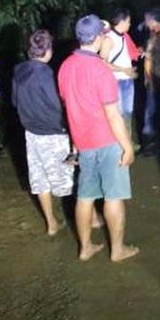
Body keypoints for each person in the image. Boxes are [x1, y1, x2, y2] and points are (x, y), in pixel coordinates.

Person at [58, 14, 138, 262]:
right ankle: (117, 250)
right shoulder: (101, 70)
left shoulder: (65, 66)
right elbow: (113, 115)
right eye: (104, 35)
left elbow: (69, 106)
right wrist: (128, 147)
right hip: (107, 142)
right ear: (98, 38)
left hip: (83, 142)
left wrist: (74, 144)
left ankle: (85, 248)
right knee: (113, 196)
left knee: (85, 196)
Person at [12, 30, 74, 235]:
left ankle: (51, 224)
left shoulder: (19, 70)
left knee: (40, 180)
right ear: (47, 50)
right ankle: (88, 219)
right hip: (53, 134)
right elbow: (57, 105)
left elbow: (15, 101)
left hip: (31, 134)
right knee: (67, 179)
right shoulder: (46, 74)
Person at [99, 9, 139, 146]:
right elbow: (102, 62)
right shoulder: (109, 39)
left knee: (128, 113)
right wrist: (124, 70)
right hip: (115, 81)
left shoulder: (123, 36)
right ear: (121, 22)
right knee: (118, 114)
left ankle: (127, 141)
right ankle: (119, 144)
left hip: (127, 80)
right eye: (128, 21)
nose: (130, 24)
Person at [141, 9, 160, 154]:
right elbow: (148, 58)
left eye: (147, 20)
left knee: (158, 111)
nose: (145, 23)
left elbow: (150, 57)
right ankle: (150, 144)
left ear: (153, 21)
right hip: (156, 78)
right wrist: (148, 78)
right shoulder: (154, 35)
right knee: (152, 111)